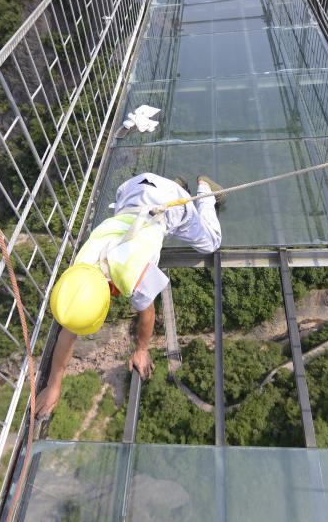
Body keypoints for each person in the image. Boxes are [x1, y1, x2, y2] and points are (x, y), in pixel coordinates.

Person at [35, 172, 223, 419]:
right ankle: (175, 184)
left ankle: (204, 188)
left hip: (169, 204)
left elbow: (148, 314)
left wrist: (142, 349)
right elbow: (67, 332)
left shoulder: (132, 274)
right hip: (130, 191)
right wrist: (53, 384)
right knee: (138, 223)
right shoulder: (80, 271)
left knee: (212, 242)